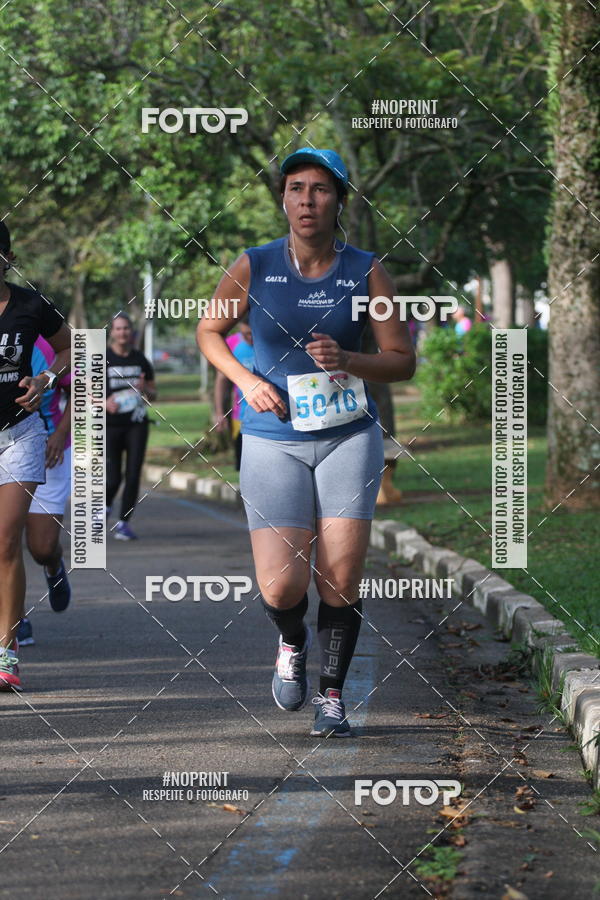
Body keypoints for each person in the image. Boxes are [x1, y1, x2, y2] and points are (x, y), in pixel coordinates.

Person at [198, 148, 416, 737]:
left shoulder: (367, 271)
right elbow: (209, 330)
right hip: (272, 438)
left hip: (348, 437)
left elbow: (402, 360)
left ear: (339, 200)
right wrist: (246, 381)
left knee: (339, 576)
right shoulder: (254, 265)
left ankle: (332, 696)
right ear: (283, 199)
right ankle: (291, 641)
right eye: (296, 188)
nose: (307, 200)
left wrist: (349, 359)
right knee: (281, 585)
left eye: (320, 189)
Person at [0, 221, 71, 690]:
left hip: (20, 435)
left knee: (5, 543)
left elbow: (70, 347)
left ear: (7, 259)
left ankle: (6, 652)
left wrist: (45, 379)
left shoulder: (30, 305)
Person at [17, 336, 72, 646]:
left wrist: (60, 435)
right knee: (5, 540)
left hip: (48, 452)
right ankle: (15, 619)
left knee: (41, 547)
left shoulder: (49, 343)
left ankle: (53, 565)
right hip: (5, 450)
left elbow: (80, 390)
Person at [105, 313, 156, 540]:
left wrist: (145, 389)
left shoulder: (140, 359)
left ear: (131, 331)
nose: (122, 332)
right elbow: (85, 392)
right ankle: (105, 506)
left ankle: (123, 523)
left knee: (133, 475)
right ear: (112, 332)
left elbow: (153, 395)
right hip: (110, 425)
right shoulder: (103, 359)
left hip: (137, 424)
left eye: (126, 328)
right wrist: (104, 403)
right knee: (113, 478)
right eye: (118, 328)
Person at [213, 316, 254, 470]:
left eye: (252, 334)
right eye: (246, 334)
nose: (250, 338)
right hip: (241, 415)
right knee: (244, 466)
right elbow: (222, 379)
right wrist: (220, 412)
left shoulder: (269, 341)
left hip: (271, 416)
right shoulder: (231, 344)